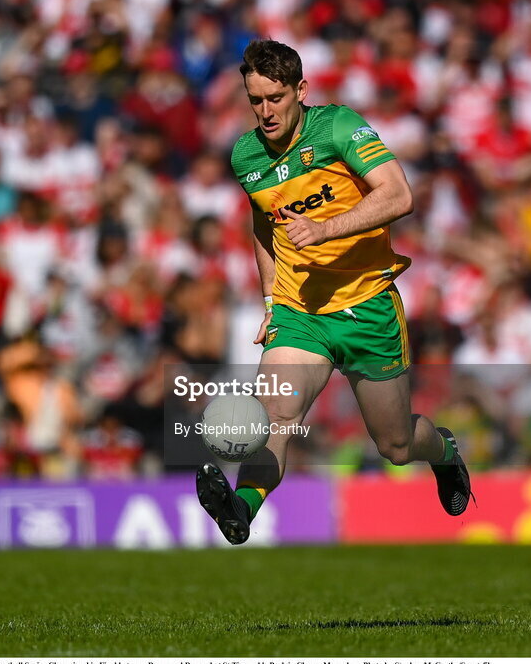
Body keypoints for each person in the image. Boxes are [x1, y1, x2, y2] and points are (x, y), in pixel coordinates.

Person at [195, 40, 474, 545]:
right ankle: (242, 507)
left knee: (395, 444)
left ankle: (446, 453)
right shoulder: (245, 155)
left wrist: (327, 229)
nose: (265, 112)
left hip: (368, 306)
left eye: (275, 98)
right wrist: (270, 300)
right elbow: (265, 226)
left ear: (301, 90)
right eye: (254, 100)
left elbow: (399, 194)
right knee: (276, 414)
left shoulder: (340, 127)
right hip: (302, 309)